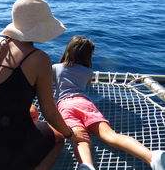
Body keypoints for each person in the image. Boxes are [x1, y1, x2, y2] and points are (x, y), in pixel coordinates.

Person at [0, 0, 90, 170]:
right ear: (41, 28)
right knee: (58, 138)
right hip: (4, 153)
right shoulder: (39, 59)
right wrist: (71, 133)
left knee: (31, 115)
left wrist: (5, 106)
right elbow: (49, 112)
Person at [53, 35, 165, 170]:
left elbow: (48, 83)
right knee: (110, 135)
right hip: (84, 103)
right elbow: (86, 83)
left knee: (80, 139)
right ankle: (152, 157)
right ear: (88, 55)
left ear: (68, 50)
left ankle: (87, 166)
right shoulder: (88, 71)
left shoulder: (56, 67)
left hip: (65, 105)